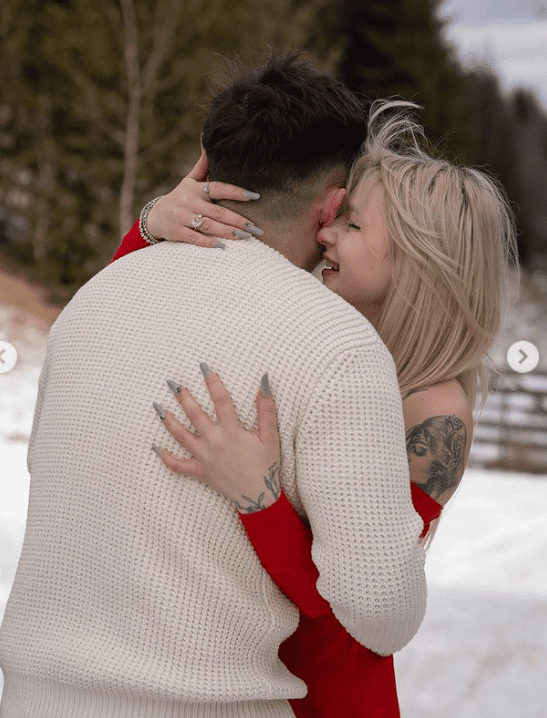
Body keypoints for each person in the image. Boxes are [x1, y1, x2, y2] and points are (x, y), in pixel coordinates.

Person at [0, 53, 428, 718]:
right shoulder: (335, 344)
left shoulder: (90, 302)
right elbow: (381, 613)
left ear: (208, 168)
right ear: (332, 203)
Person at [109, 100, 518, 717]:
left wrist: (258, 496)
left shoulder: (435, 412)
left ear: (417, 256)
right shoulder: (319, 340)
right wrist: (152, 226)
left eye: (352, 225)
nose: (325, 232)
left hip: (326, 696)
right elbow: (115, 325)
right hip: (250, 674)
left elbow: (354, 603)